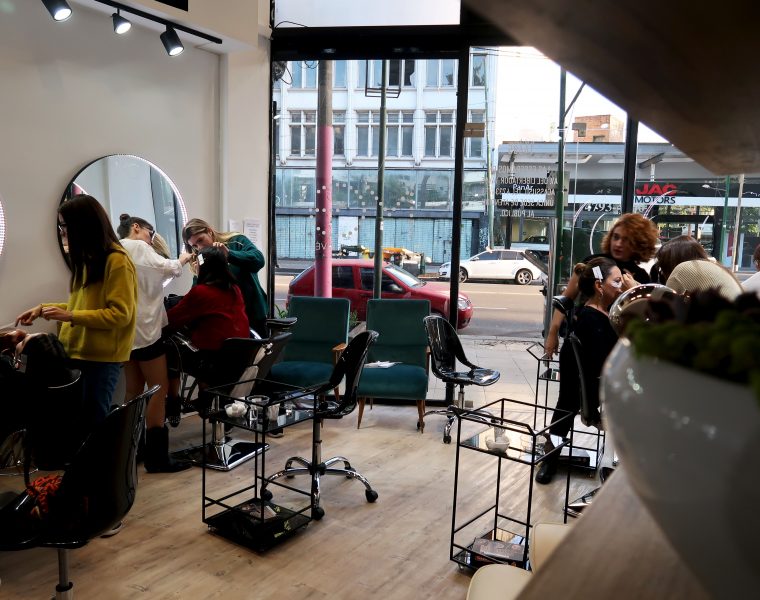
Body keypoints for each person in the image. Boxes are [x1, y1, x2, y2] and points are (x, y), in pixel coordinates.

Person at [16, 195, 137, 426]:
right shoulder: (88, 260)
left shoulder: (117, 261)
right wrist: (43, 309)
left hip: (100, 360)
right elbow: (81, 307)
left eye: (64, 225)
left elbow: (120, 315)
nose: (62, 231)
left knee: (92, 428)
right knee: (76, 425)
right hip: (77, 354)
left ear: (82, 225)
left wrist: (69, 316)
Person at [536, 257, 624, 484]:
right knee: (565, 408)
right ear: (599, 286)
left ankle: (550, 458)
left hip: (588, 377)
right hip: (585, 378)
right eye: (616, 281)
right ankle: (550, 459)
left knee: (564, 409)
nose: (621, 286)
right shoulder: (593, 321)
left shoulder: (603, 314)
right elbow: (605, 363)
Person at [117, 214, 192, 473]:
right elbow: (170, 268)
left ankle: (132, 450)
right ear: (136, 227)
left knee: (133, 392)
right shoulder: (138, 246)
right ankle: (157, 458)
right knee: (158, 390)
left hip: (126, 333)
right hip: (146, 331)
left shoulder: (116, 249)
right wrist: (183, 258)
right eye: (151, 233)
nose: (151, 239)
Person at [543, 213, 658, 357]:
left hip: (618, 348)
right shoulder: (593, 263)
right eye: (616, 237)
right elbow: (566, 298)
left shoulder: (641, 277)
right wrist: (552, 333)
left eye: (626, 240)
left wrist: (632, 290)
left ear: (638, 244)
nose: (618, 244)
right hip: (584, 340)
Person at [164, 247, 250, 399]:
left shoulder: (200, 292)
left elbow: (170, 320)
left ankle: (173, 400)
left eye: (197, 263)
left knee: (169, 348)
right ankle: (202, 397)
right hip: (239, 358)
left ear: (203, 266)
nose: (195, 266)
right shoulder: (235, 289)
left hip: (211, 361)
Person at [182, 218, 268, 337]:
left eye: (200, 240)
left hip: (253, 313)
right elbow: (197, 295)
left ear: (209, 231)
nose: (200, 247)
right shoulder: (201, 258)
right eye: (195, 245)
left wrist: (229, 254)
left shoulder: (236, 242)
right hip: (226, 321)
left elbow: (259, 260)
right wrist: (199, 275)